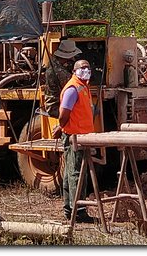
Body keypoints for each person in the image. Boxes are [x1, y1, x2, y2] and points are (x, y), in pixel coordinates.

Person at [51, 58, 97, 223]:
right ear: (74, 71)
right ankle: (78, 212)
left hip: (82, 137)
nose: (85, 70)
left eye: (87, 67)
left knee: (73, 173)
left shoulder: (83, 86)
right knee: (76, 174)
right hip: (74, 138)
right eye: (82, 68)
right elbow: (64, 113)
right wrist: (60, 127)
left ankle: (70, 209)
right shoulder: (73, 88)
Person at [43, 39, 82, 118]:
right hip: (55, 107)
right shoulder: (59, 71)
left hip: (55, 103)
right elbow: (75, 84)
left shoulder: (53, 63)